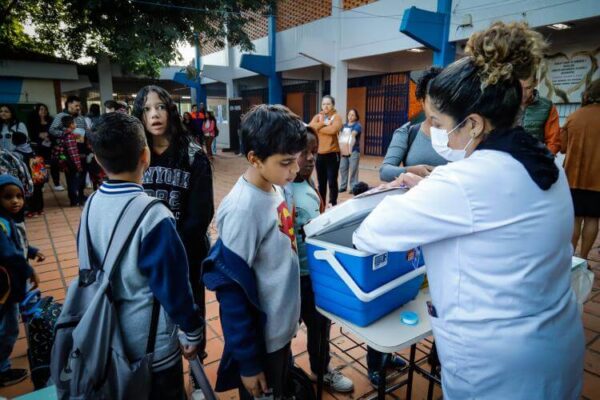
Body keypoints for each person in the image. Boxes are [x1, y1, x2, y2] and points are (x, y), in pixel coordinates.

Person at [353, 21, 584, 399]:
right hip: (554, 345)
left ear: (474, 123)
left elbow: (371, 233)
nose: (441, 134)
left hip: (499, 368)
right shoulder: (545, 164)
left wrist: (418, 193)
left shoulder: (463, 181)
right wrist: (431, 191)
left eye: (442, 124)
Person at [86, 112, 203, 399]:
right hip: (152, 347)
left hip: (106, 336)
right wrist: (192, 331)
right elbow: (174, 287)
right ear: (146, 156)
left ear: (99, 161)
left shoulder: (90, 205)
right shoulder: (154, 215)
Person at [202, 104, 306, 400]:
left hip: (280, 329)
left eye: (295, 160)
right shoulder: (241, 210)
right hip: (262, 342)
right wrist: (247, 362)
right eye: (286, 162)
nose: (295, 170)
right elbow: (231, 292)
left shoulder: (276, 187)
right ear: (254, 159)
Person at [133, 86, 214, 371]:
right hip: (146, 256)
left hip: (186, 254)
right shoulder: (136, 156)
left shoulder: (193, 155)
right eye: (146, 109)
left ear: (170, 111)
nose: (154, 114)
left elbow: (201, 213)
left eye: (160, 107)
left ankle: (198, 375)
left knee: (191, 314)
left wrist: (171, 248)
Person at [284, 127, 354, 393]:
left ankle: (321, 369)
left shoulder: (309, 185)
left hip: (314, 273)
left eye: (314, 152)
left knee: (320, 325)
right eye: (305, 152)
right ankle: (285, 374)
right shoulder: (283, 189)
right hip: (292, 276)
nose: (312, 158)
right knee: (286, 330)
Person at [0, 174, 43, 387]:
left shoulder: (9, 219)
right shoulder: (1, 222)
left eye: (19, 196)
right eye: (8, 197)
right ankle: (2, 370)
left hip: (13, 280)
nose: (15, 201)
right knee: (8, 326)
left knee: (18, 316)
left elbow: (17, 245)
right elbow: (8, 254)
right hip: (6, 285)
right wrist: (29, 270)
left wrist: (32, 251)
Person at [380, 67, 445, 182]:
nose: (439, 105)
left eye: (444, 99)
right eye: (433, 100)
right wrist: (410, 170)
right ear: (422, 101)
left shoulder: (462, 133)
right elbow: (384, 172)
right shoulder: (408, 132)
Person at [562, 79, 600, 260]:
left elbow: (562, 147)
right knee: (593, 219)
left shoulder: (573, 117)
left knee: (575, 218)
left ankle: (571, 258)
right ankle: (584, 259)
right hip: (598, 180)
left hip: (574, 177)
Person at [50, 96, 91, 192]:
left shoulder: (81, 118)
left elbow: (85, 131)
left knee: (82, 173)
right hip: (68, 150)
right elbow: (52, 130)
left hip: (81, 149)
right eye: (76, 105)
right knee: (71, 175)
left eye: (79, 106)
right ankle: (73, 198)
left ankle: (81, 195)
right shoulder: (60, 116)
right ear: (69, 104)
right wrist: (66, 134)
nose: (78, 108)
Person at [309, 95, 343, 206]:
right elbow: (310, 127)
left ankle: (332, 203)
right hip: (319, 155)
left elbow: (333, 130)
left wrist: (319, 129)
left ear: (332, 105)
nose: (326, 106)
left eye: (328, 104)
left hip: (333, 154)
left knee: (332, 181)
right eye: (324, 104)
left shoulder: (336, 117)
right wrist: (323, 123)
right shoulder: (318, 117)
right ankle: (322, 203)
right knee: (321, 182)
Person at [519, 74, 561, 154]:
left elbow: (553, 141)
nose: (523, 93)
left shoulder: (547, 106)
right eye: (519, 88)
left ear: (535, 83)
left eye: (528, 88)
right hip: (509, 161)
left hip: (534, 161)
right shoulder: (505, 104)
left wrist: (542, 160)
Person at [55, 116, 84, 206]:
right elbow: (73, 153)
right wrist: (78, 166)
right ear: (71, 125)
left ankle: (73, 200)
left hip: (66, 162)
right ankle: (74, 201)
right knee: (73, 182)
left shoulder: (64, 134)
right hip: (71, 163)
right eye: (74, 123)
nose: (75, 124)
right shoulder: (70, 136)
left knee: (69, 180)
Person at [338, 109, 362, 193]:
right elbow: (340, 136)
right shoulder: (343, 125)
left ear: (356, 117)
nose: (350, 116)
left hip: (354, 151)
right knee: (343, 168)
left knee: (353, 169)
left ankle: (353, 187)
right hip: (344, 151)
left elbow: (353, 134)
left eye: (353, 115)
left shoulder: (357, 125)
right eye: (349, 115)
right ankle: (343, 186)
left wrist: (349, 136)